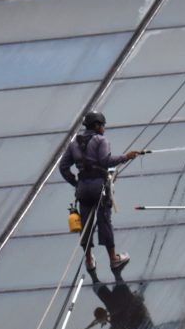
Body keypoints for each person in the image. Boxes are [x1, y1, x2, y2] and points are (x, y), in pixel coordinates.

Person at [59, 111, 139, 276]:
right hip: (99, 188)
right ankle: (113, 259)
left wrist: (75, 182)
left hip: (83, 189)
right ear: (96, 125)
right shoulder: (100, 140)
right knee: (104, 221)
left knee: (85, 225)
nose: (104, 128)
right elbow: (105, 161)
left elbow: (63, 167)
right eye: (103, 125)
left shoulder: (74, 143)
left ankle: (89, 261)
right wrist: (126, 157)